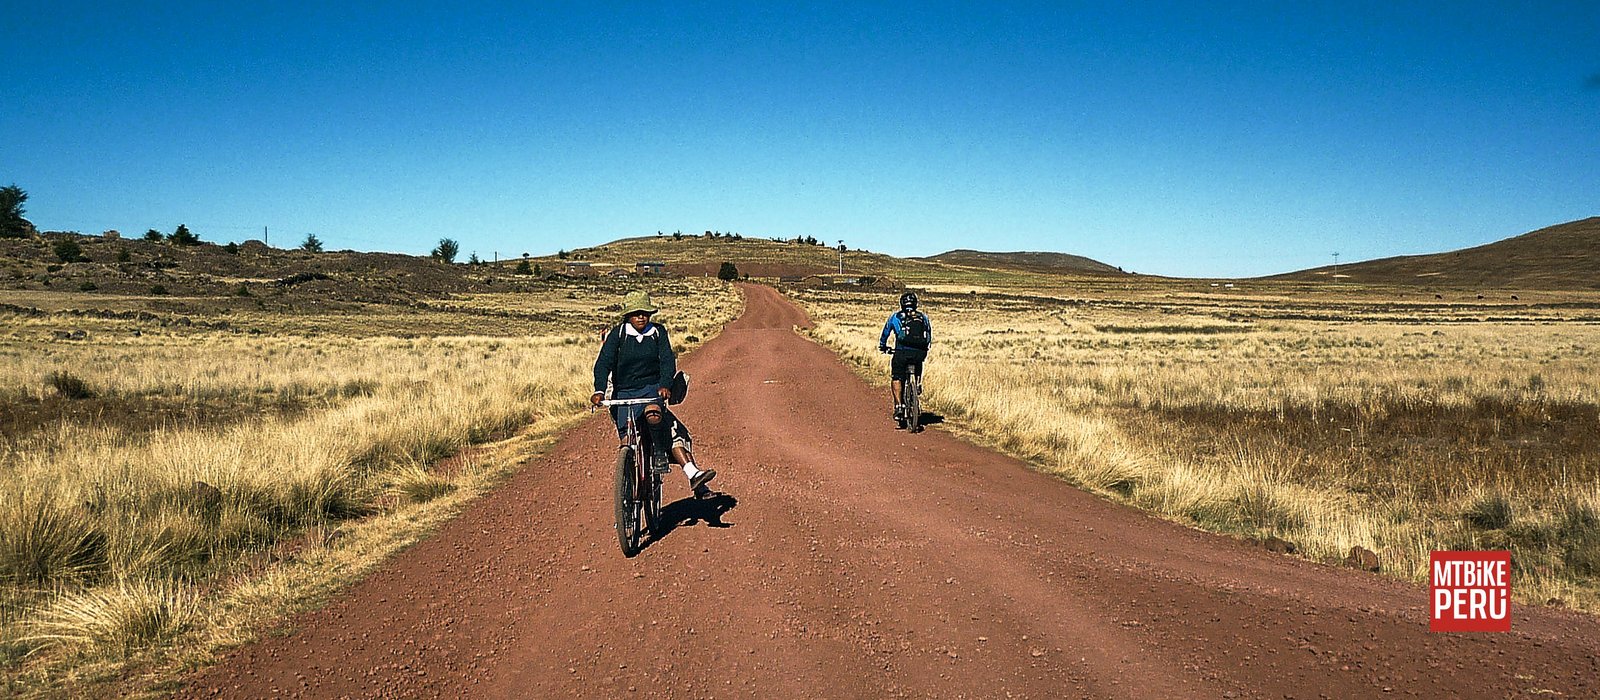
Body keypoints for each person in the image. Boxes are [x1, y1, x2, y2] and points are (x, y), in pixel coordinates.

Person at [591, 291, 716, 491]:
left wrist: (665, 384)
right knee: (627, 441)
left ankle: (659, 452)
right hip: (623, 392)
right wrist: (599, 389)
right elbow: (603, 364)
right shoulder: (618, 334)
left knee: (654, 414)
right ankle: (629, 490)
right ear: (628, 315)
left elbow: (667, 360)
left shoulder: (657, 332)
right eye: (636, 313)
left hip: (651, 388)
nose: (641, 317)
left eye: (645, 313)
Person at [877, 291, 932, 428]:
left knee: (897, 377)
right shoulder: (923, 317)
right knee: (918, 363)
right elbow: (929, 334)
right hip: (919, 353)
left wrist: (883, 346)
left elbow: (885, 333)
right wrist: (925, 348)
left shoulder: (895, 317)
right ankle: (917, 384)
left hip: (901, 353)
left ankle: (899, 406)